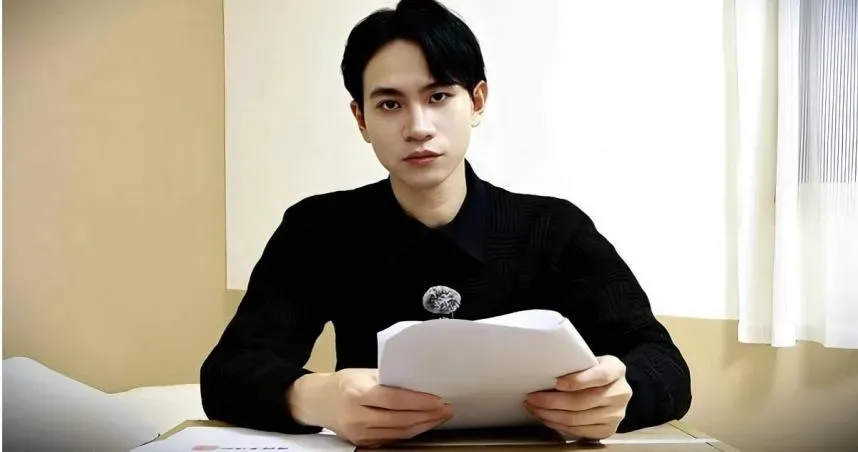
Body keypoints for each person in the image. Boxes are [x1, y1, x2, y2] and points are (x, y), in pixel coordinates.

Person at [200, 0, 692, 447]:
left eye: (438, 96)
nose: (418, 127)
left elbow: (664, 364)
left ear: (476, 101)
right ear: (361, 119)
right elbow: (228, 371)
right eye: (389, 104)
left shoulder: (554, 227)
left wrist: (618, 394)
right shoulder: (319, 228)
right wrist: (315, 397)